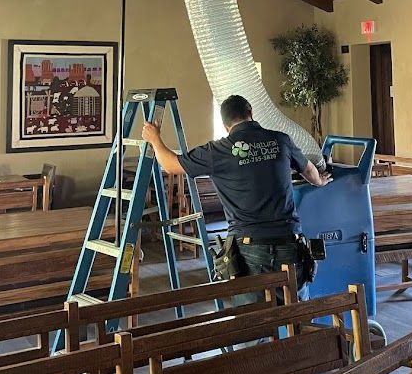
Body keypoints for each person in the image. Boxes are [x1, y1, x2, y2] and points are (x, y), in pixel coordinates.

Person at [142, 94, 332, 294]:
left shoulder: (217, 151)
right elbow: (309, 170)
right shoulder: (280, 140)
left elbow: (170, 164)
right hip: (289, 243)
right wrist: (320, 181)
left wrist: (154, 139)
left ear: (225, 125)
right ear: (250, 112)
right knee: (296, 314)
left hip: (248, 249)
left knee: (254, 320)